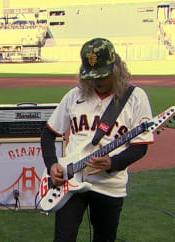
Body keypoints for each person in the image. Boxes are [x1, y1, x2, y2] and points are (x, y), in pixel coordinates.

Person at [40, 37, 154, 242]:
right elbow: (48, 133)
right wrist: (52, 165)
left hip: (109, 186)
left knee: (104, 238)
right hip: (70, 180)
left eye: (102, 75)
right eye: (91, 76)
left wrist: (113, 163)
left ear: (117, 68)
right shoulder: (74, 95)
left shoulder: (136, 98)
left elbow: (140, 146)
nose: (97, 81)